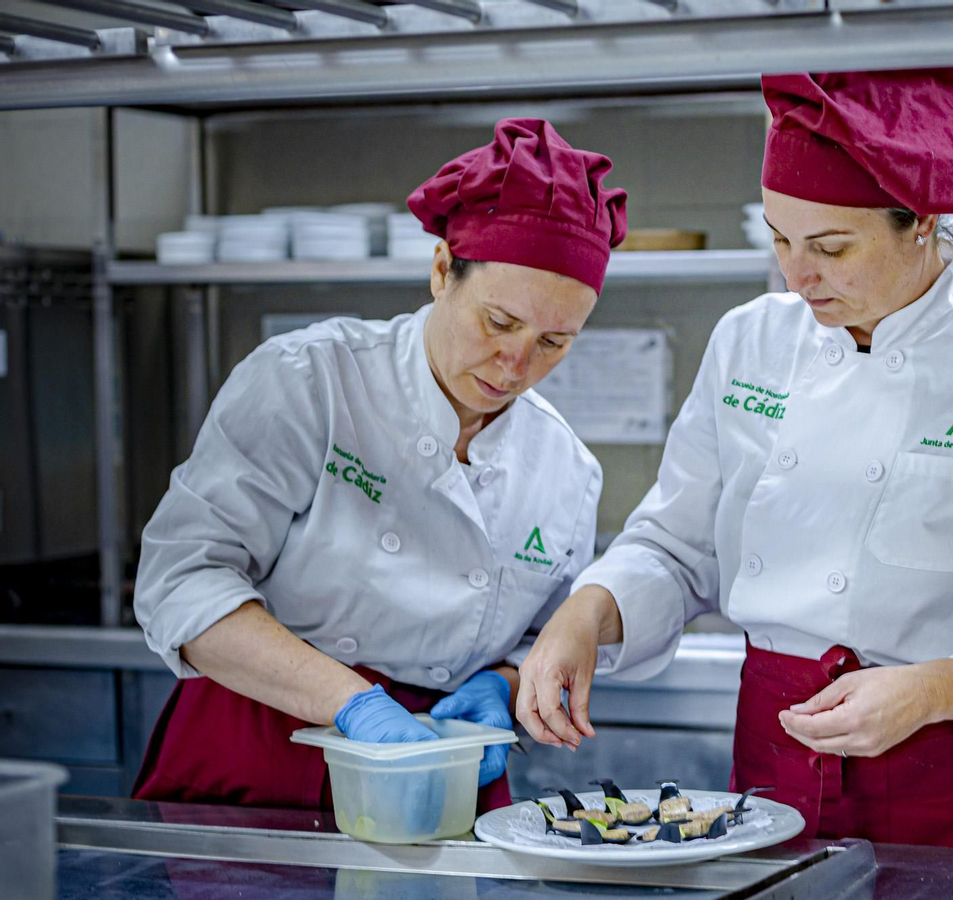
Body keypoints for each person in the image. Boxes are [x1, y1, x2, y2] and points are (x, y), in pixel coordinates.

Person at [517, 66, 953, 852]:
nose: (796, 274)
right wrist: (590, 610)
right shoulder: (751, 341)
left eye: (830, 246)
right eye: (779, 238)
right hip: (779, 762)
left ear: (919, 220)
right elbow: (677, 546)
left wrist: (930, 691)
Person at [131, 118, 626, 813]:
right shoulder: (310, 382)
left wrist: (507, 688)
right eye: (499, 323)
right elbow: (179, 582)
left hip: (441, 772)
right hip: (263, 746)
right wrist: (352, 705)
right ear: (440, 270)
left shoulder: (565, 469)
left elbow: (545, 640)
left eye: (553, 341)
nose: (516, 366)